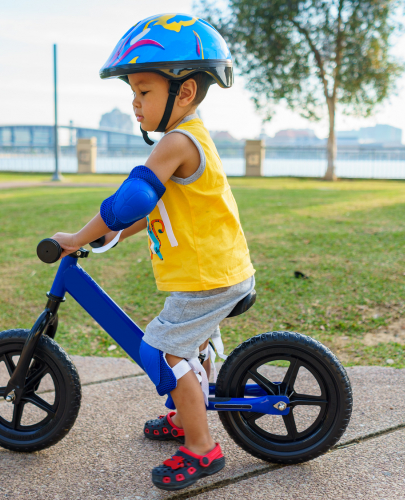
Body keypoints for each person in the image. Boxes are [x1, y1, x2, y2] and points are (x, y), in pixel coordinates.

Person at [49, 13, 254, 491]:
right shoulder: (191, 137)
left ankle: (202, 449)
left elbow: (132, 198)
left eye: (144, 92)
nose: (135, 104)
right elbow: (155, 211)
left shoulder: (177, 142)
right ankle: (188, 416)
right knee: (191, 345)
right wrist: (114, 234)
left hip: (208, 276)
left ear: (183, 92)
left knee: (160, 349)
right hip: (214, 270)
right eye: (133, 94)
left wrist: (78, 237)